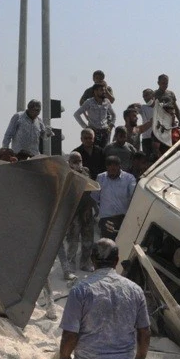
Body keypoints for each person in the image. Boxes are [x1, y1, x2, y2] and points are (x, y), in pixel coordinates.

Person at [57, 152, 96, 281]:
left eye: (79, 160)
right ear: (69, 162)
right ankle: (71, 264)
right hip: (73, 211)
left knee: (87, 238)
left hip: (86, 209)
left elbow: (89, 189)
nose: (78, 163)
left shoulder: (85, 171)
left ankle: (85, 262)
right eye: (75, 161)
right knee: (73, 238)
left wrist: (88, 207)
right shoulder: (66, 172)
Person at [93, 156, 136, 239]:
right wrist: (98, 215)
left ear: (120, 167)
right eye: (110, 168)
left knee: (122, 243)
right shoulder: (100, 178)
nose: (112, 171)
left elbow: (133, 196)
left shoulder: (129, 178)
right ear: (106, 167)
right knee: (108, 246)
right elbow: (95, 197)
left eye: (115, 168)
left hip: (123, 218)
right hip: (106, 218)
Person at [73, 83, 116, 148]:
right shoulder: (89, 102)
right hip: (93, 131)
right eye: (101, 90)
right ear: (95, 91)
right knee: (94, 151)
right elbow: (76, 114)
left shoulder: (107, 102)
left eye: (104, 90)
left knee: (104, 151)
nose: (104, 92)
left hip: (105, 131)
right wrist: (85, 127)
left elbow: (113, 114)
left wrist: (111, 124)